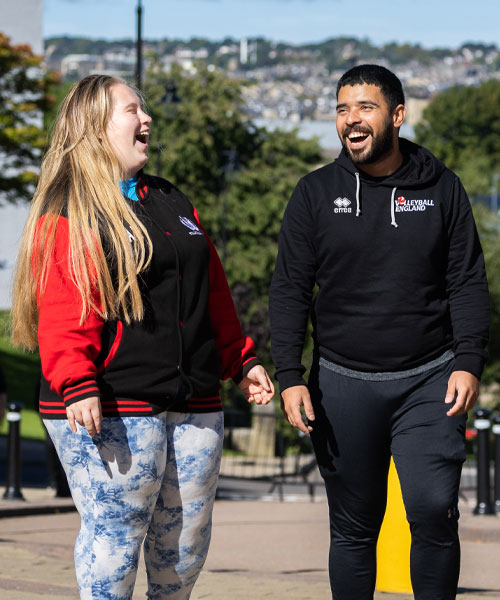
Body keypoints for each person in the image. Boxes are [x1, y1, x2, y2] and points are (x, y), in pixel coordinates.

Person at [11, 74, 274, 600]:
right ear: (94, 128)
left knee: (184, 549)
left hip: (194, 401)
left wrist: (241, 361)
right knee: (115, 541)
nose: (146, 118)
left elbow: (212, 292)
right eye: (132, 110)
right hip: (111, 403)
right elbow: (63, 308)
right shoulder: (70, 208)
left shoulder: (171, 199)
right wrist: (77, 382)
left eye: (144, 109)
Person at [269, 64, 489, 600]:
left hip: (429, 380)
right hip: (342, 384)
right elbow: (290, 289)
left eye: (364, 107)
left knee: (434, 508)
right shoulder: (315, 193)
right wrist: (290, 376)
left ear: (396, 114)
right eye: (342, 109)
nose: (351, 120)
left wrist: (468, 361)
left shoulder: (442, 188)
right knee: (354, 526)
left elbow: (466, 281)